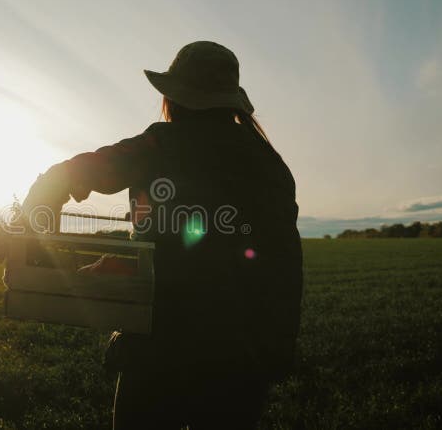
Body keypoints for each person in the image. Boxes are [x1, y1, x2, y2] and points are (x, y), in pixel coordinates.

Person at [21, 41, 303, 429]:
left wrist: (33, 242)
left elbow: (62, 177)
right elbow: (284, 262)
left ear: (175, 98)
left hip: (159, 350)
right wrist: (276, 348)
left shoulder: (159, 145)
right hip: (243, 355)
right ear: (230, 101)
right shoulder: (270, 163)